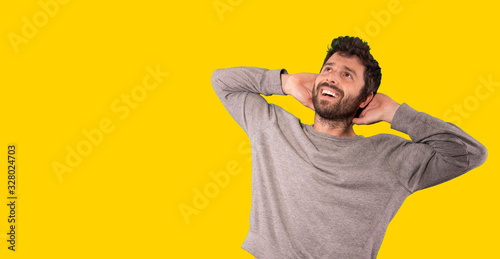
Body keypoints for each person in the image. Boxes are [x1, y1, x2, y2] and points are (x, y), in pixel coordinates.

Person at [211, 36, 487, 259]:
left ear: (366, 98)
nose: (331, 77)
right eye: (327, 69)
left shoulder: (388, 156)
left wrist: (394, 112)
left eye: (347, 75)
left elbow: (468, 152)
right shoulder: (274, 129)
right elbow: (222, 82)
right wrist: (286, 82)